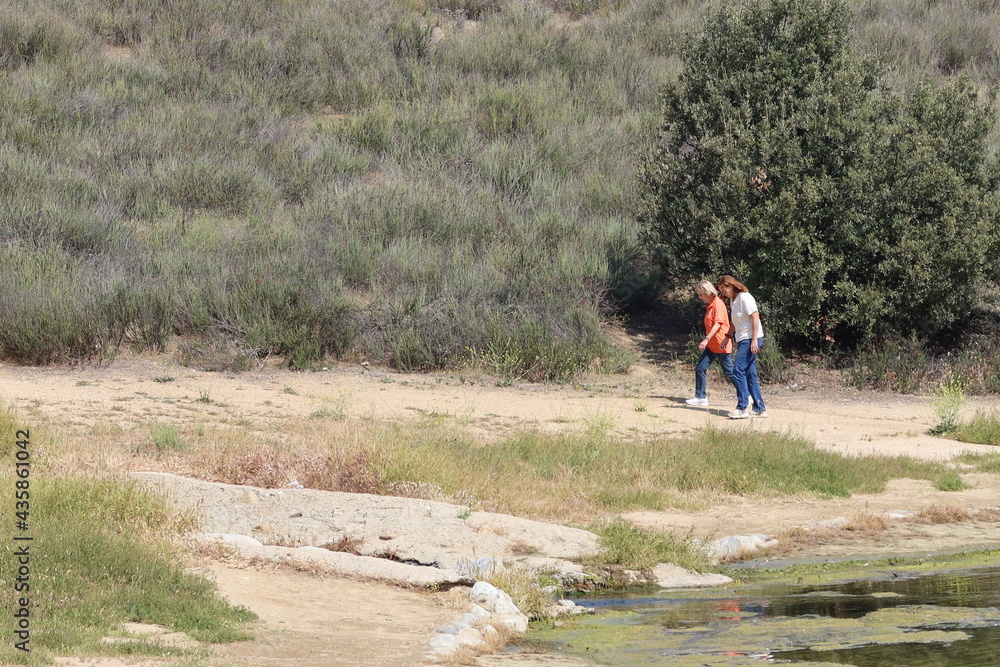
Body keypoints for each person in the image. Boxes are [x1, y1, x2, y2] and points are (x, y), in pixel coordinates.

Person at [716, 275, 767, 419]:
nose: (723, 292)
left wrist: (755, 340)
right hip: (742, 338)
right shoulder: (734, 300)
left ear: (732, 285)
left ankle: (742, 407)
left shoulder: (745, 297)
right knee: (750, 374)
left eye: (724, 289)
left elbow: (755, 317)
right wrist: (727, 336)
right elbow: (735, 321)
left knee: (738, 370)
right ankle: (759, 408)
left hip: (751, 338)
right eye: (721, 290)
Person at [685, 280, 737, 407]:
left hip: (721, 344)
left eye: (701, 294)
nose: (699, 297)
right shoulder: (710, 305)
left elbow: (718, 324)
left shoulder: (718, 304)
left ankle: (746, 393)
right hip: (712, 346)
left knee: (729, 372)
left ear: (708, 292)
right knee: (700, 368)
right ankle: (701, 397)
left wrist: (706, 338)